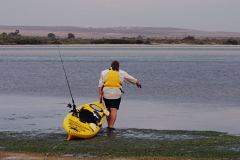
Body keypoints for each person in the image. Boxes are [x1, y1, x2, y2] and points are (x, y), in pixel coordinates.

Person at [98, 60, 142, 130]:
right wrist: (137, 83)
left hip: (106, 93)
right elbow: (130, 78)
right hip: (116, 93)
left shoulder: (104, 72)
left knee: (108, 109)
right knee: (114, 109)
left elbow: (100, 85)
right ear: (118, 66)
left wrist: (100, 95)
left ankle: (108, 124)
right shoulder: (121, 72)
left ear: (111, 66)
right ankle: (111, 126)